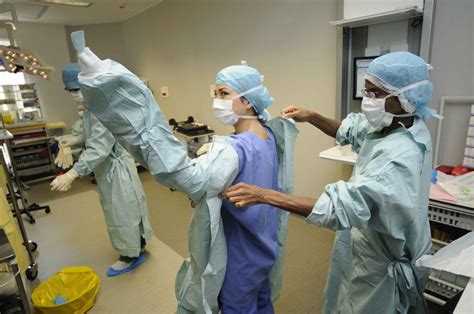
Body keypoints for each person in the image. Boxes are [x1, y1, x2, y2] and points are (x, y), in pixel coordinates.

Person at [68, 30, 297, 313]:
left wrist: (117, 93)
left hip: (240, 256)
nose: (217, 100)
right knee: (261, 301)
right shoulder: (269, 135)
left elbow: (183, 175)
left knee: (240, 306)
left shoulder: (232, 150)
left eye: (224, 94)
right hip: (264, 246)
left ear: (248, 101)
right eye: (215, 93)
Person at [222, 51, 437, 313]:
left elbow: (339, 208)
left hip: (382, 262)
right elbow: (351, 131)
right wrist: (310, 115)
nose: (367, 100)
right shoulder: (401, 124)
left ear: (405, 97)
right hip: (373, 242)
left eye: (375, 94)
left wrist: (264, 195)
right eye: (366, 91)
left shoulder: (398, 157)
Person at [50, 63, 153, 277]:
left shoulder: (100, 109)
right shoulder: (91, 107)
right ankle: (138, 245)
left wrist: (72, 173)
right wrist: (75, 139)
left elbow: (99, 148)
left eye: (76, 89)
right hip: (110, 169)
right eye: (69, 90)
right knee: (128, 209)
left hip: (116, 170)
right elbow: (94, 136)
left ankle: (129, 256)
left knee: (121, 213)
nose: (73, 95)